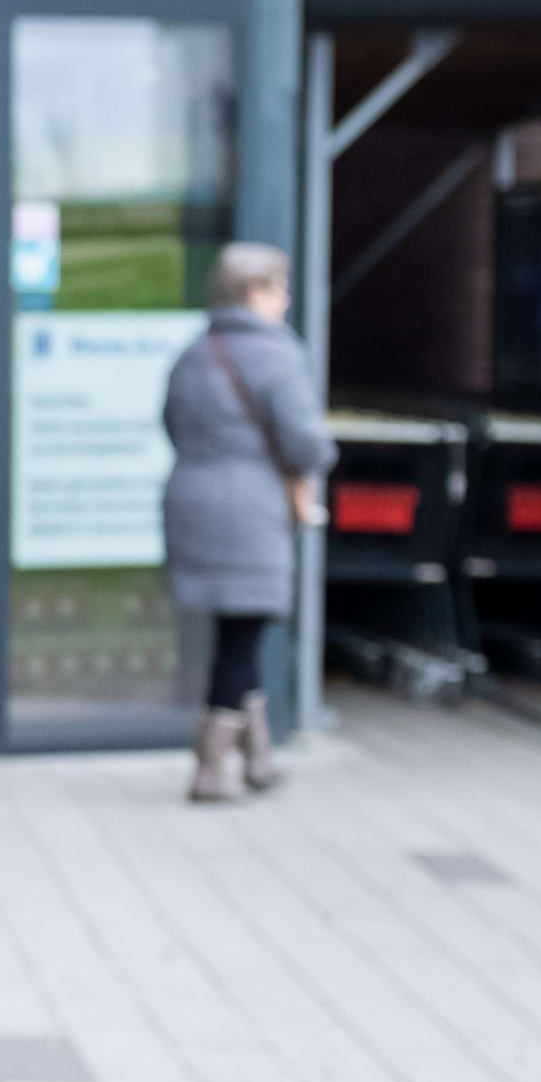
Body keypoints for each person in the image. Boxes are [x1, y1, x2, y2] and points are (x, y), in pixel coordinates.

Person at [160, 240, 336, 803]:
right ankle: (210, 770)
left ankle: (258, 758)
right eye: (280, 288)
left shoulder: (194, 352)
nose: (285, 300)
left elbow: (170, 422)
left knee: (239, 629)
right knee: (240, 637)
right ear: (254, 292)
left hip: (191, 499)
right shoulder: (277, 356)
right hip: (250, 509)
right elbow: (305, 442)